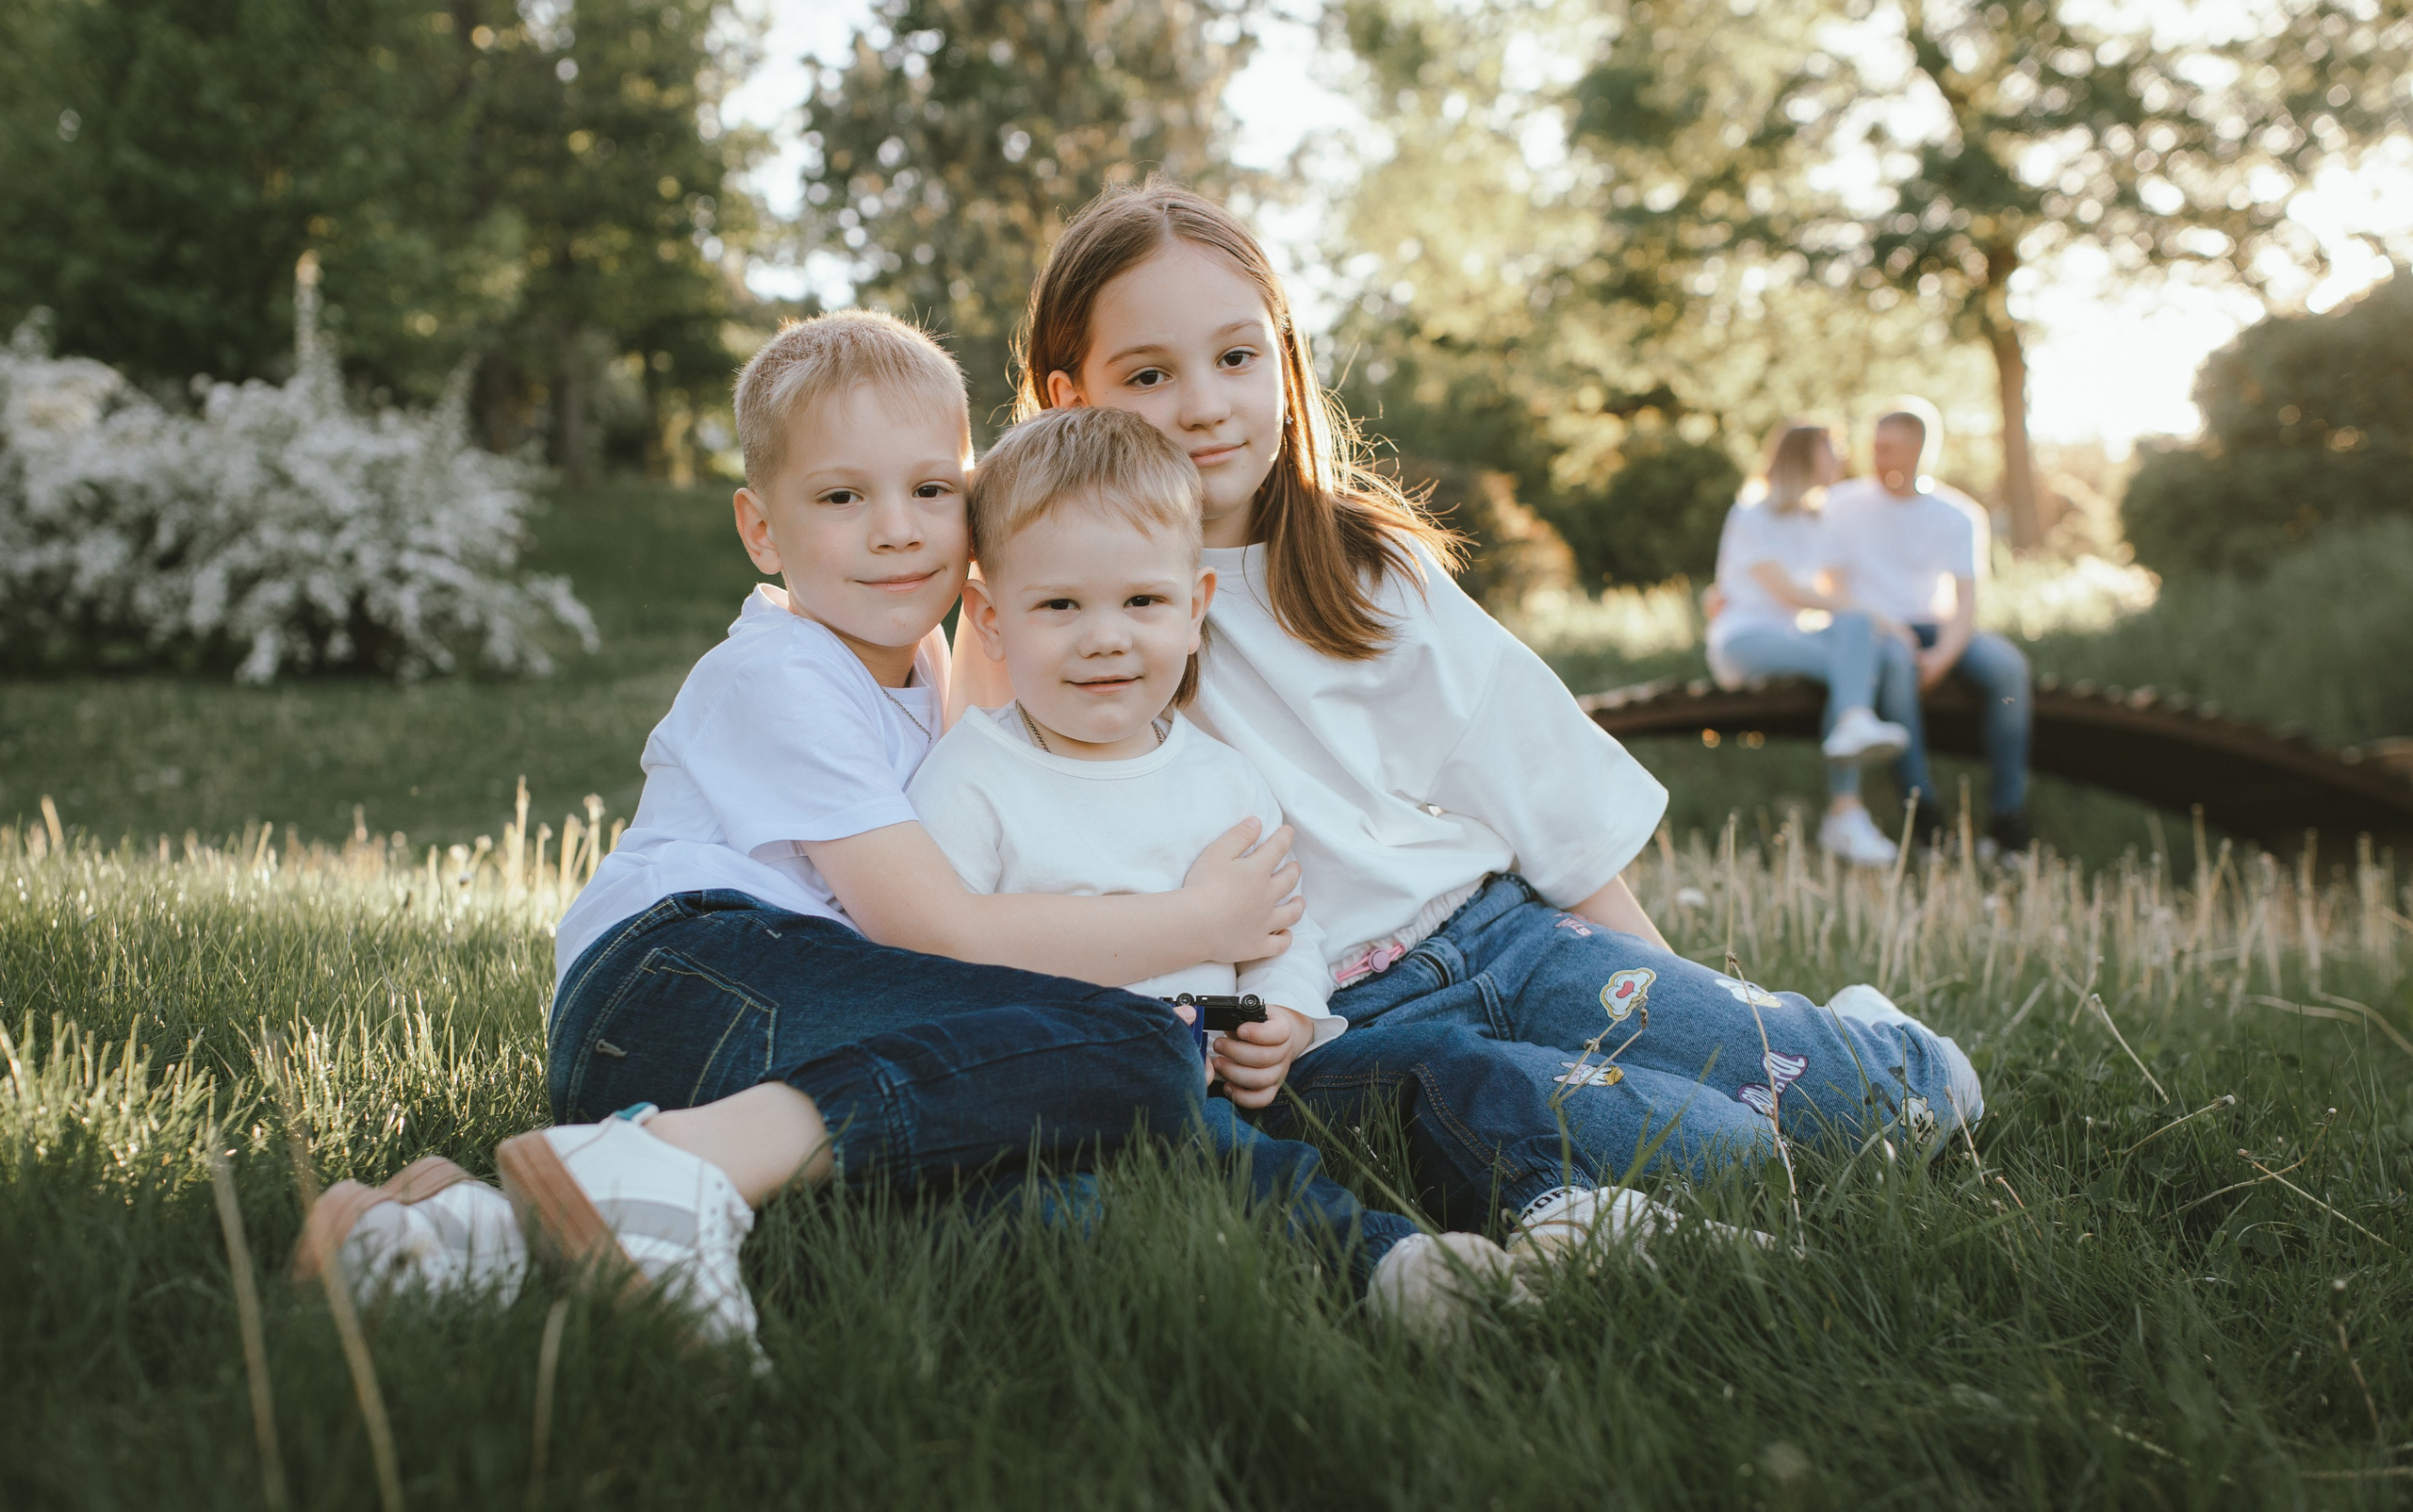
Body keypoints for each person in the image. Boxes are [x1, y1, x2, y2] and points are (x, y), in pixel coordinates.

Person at [293, 310, 1525, 1346]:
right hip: (679, 979)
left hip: (779, 1024)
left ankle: (463, 1230)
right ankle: (666, 1169)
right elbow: (935, 929)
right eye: (843, 497)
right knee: (1139, 1049)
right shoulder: (780, 672)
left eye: (932, 490)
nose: (896, 528)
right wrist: (1197, 925)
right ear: (763, 530)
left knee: (1064, 1179)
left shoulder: (926, 663)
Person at [953, 181, 1984, 1220]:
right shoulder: (1045, 622)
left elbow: (1542, 789)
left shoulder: (1365, 567)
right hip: (1333, 1019)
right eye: (1147, 374)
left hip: (1499, 935)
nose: (1205, 403)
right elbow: (996, 829)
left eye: (1236, 356)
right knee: (1722, 1156)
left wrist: (1678, 996)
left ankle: (1867, 1048)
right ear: (1069, 393)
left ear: (1282, 357)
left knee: (1850, 1098)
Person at [917, 402, 1718, 1266]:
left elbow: (1285, 925)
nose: (1105, 637)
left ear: (1196, 609)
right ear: (991, 619)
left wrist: (1288, 1016)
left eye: (1142, 601)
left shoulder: (1219, 775)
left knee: (1446, 1070)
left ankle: (1572, 1212)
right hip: (1084, 1068)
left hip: (1238, 1051)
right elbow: (938, 970)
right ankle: (1403, 1271)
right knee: (1219, 1174)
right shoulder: (972, 780)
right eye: (1060, 605)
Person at [1704, 422, 1917, 866]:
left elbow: (1835, 591)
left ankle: (1849, 776)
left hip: (1797, 636)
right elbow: (1787, 591)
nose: (1840, 458)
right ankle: (1846, 807)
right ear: (1805, 456)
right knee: (1854, 646)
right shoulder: (1751, 515)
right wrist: (1880, 617)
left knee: (1855, 631)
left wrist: (1867, 620)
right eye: (1832, 450)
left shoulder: (1819, 520)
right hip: (1746, 639)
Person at [1823, 408, 2033, 854]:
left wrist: (1944, 657)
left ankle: (2008, 819)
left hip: (1936, 627)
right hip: (1875, 630)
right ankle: (1926, 818)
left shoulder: (1957, 514)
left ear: (1918, 449)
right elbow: (1834, 587)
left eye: (1888, 448)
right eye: (1875, 447)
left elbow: (1966, 604)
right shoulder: (1842, 505)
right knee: (1897, 667)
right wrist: (1887, 626)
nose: (1878, 457)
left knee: (2009, 669)